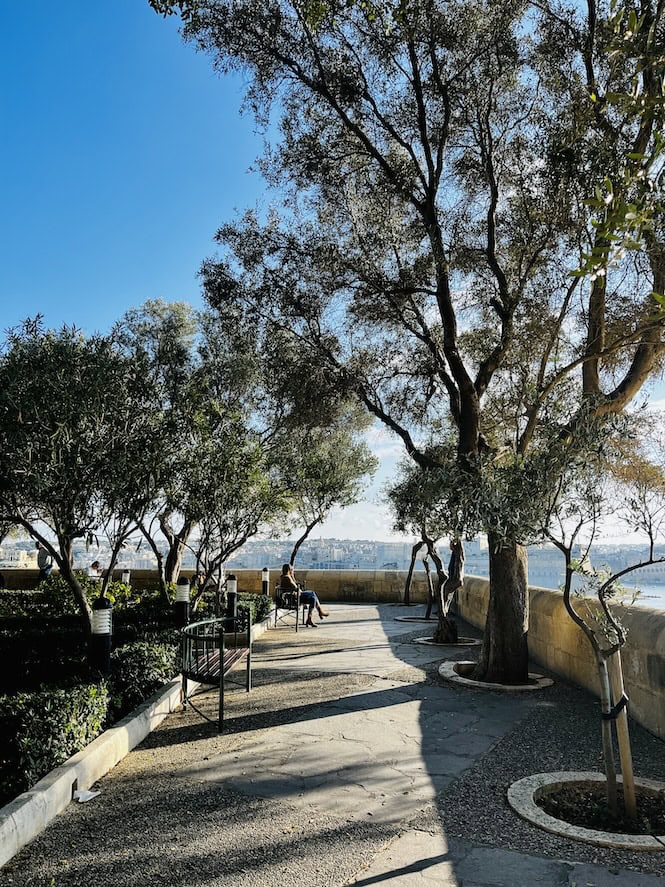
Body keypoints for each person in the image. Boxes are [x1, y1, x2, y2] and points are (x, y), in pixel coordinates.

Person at [279, 563, 328, 627]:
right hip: (294, 599)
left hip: (292, 597)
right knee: (313, 594)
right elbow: (296, 588)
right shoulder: (287, 578)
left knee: (313, 599)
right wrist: (292, 577)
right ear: (289, 570)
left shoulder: (283, 577)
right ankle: (317, 613)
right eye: (291, 569)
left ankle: (311, 617)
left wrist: (292, 576)